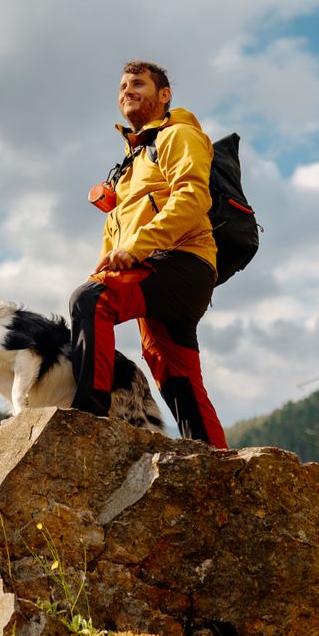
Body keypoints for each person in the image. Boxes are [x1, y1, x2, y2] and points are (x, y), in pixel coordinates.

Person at [68, 60, 227, 448]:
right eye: (122, 85)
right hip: (154, 266)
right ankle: (216, 464)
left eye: (138, 83)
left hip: (181, 260)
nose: (127, 90)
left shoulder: (178, 135)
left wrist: (136, 248)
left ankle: (86, 422)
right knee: (176, 376)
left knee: (90, 301)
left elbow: (192, 198)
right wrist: (107, 262)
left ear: (164, 95)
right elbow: (116, 230)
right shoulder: (129, 164)